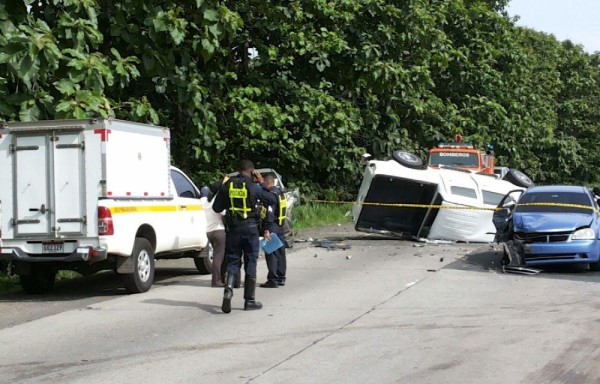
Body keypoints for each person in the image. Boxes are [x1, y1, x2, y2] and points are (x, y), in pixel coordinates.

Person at [212, 160, 276, 313]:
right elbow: (272, 199)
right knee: (250, 262)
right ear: (252, 171)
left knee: (233, 261)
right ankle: (249, 301)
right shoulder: (254, 186)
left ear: (238, 170)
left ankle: (228, 289)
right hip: (251, 229)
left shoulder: (227, 185)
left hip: (233, 230)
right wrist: (261, 182)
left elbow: (216, 207)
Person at [259, 174, 288, 288]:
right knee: (281, 252)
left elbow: (269, 213)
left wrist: (266, 230)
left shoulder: (271, 196)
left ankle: (272, 279)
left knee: (271, 253)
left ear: (268, 183)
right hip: (281, 225)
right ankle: (281, 278)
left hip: (272, 226)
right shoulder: (280, 193)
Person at [199, 181, 227, 287]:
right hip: (219, 230)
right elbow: (223, 214)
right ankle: (217, 281)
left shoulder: (204, 201)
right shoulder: (218, 201)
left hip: (208, 231)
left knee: (216, 255)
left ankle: (218, 279)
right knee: (219, 257)